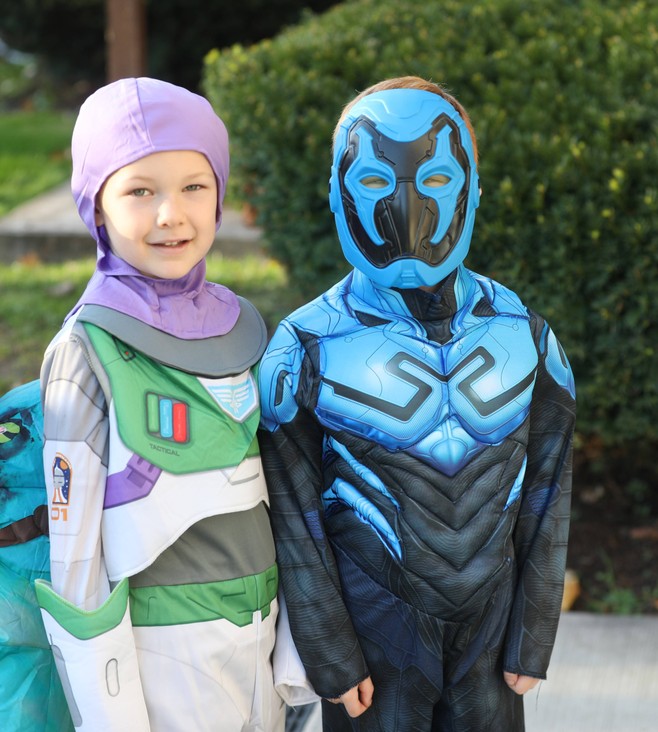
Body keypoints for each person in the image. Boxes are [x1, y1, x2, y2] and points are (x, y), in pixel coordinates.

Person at [257, 76, 576, 731]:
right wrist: (332, 657)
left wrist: (534, 633)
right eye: (375, 182)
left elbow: (548, 493)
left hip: (491, 651)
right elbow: (295, 522)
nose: (405, 213)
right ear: (337, 193)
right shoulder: (304, 348)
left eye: (434, 182)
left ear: (471, 189)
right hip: (375, 653)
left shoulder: (526, 336)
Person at [34, 77, 285, 732]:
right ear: (97, 208)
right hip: (162, 653)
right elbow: (76, 560)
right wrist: (111, 714)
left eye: (193, 187)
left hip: (263, 635)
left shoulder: (244, 328)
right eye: (140, 190)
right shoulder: (84, 352)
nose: (170, 214)